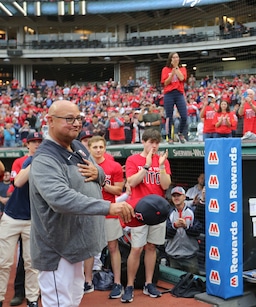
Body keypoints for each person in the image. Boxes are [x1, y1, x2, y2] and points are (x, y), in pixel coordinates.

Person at [29, 100, 134, 307]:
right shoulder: (45, 159)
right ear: (50, 121)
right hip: (57, 249)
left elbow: (100, 174)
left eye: (78, 118)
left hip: (76, 244)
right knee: (60, 303)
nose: (76, 123)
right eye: (69, 119)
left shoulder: (77, 146)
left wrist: (99, 174)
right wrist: (109, 207)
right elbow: (60, 199)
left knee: (74, 299)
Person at [123, 129, 171, 303]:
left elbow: (165, 185)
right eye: (151, 142)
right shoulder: (133, 159)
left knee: (152, 247)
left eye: (157, 142)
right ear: (143, 142)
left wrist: (161, 167)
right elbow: (131, 182)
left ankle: (149, 283)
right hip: (139, 210)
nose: (154, 146)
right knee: (136, 248)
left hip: (157, 211)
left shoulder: (162, 161)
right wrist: (146, 165)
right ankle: (129, 285)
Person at [0, 132, 43, 307]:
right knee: (3, 262)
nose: (37, 145)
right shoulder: (21, 161)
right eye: (34, 142)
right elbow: (18, 181)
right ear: (27, 145)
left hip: (33, 219)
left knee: (32, 263)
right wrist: (35, 161)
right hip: (12, 215)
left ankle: (32, 299)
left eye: (40, 142)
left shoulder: (47, 164)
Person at [87, 136, 126, 299]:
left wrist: (102, 182)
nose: (97, 150)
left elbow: (118, 191)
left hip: (109, 212)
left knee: (113, 247)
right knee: (88, 248)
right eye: (94, 147)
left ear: (105, 148)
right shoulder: (83, 166)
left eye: (100, 147)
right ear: (89, 148)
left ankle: (117, 282)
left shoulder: (114, 166)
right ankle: (87, 282)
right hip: (90, 212)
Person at [165, 186, 203, 275]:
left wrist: (187, 227)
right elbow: (166, 234)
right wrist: (174, 226)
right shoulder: (168, 212)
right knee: (174, 284)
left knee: (194, 283)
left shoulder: (193, 211)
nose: (176, 198)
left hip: (190, 257)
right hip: (173, 256)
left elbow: (198, 231)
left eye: (179, 195)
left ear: (184, 197)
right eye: (174, 196)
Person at [161, 52, 188, 144]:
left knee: (184, 116)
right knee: (169, 117)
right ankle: (169, 137)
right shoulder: (165, 69)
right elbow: (165, 83)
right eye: (174, 57)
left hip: (179, 93)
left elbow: (182, 78)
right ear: (171, 59)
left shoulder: (182, 68)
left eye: (177, 57)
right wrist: (172, 74)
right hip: (169, 94)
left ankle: (180, 132)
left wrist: (176, 69)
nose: (176, 59)